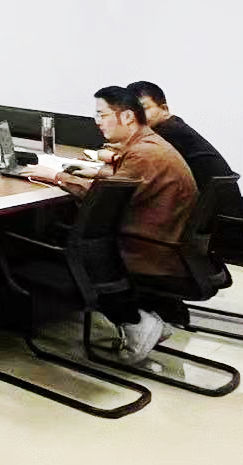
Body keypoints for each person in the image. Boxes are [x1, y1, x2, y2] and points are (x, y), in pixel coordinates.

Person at [34, 85, 197, 362]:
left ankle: (135, 322)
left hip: (148, 249)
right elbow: (126, 180)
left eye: (102, 114)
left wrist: (56, 176)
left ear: (128, 117)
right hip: (166, 241)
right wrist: (98, 173)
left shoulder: (145, 154)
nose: (97, 122)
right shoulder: (148, 145)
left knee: (69, 237)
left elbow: (103, 199)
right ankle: (143, 320)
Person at [128, 79, 243, 244]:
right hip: (221, 215)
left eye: (144, 109)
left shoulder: (169, 132)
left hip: (212, 221)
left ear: (164, 108)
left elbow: (133, 160)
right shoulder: (174, 125)